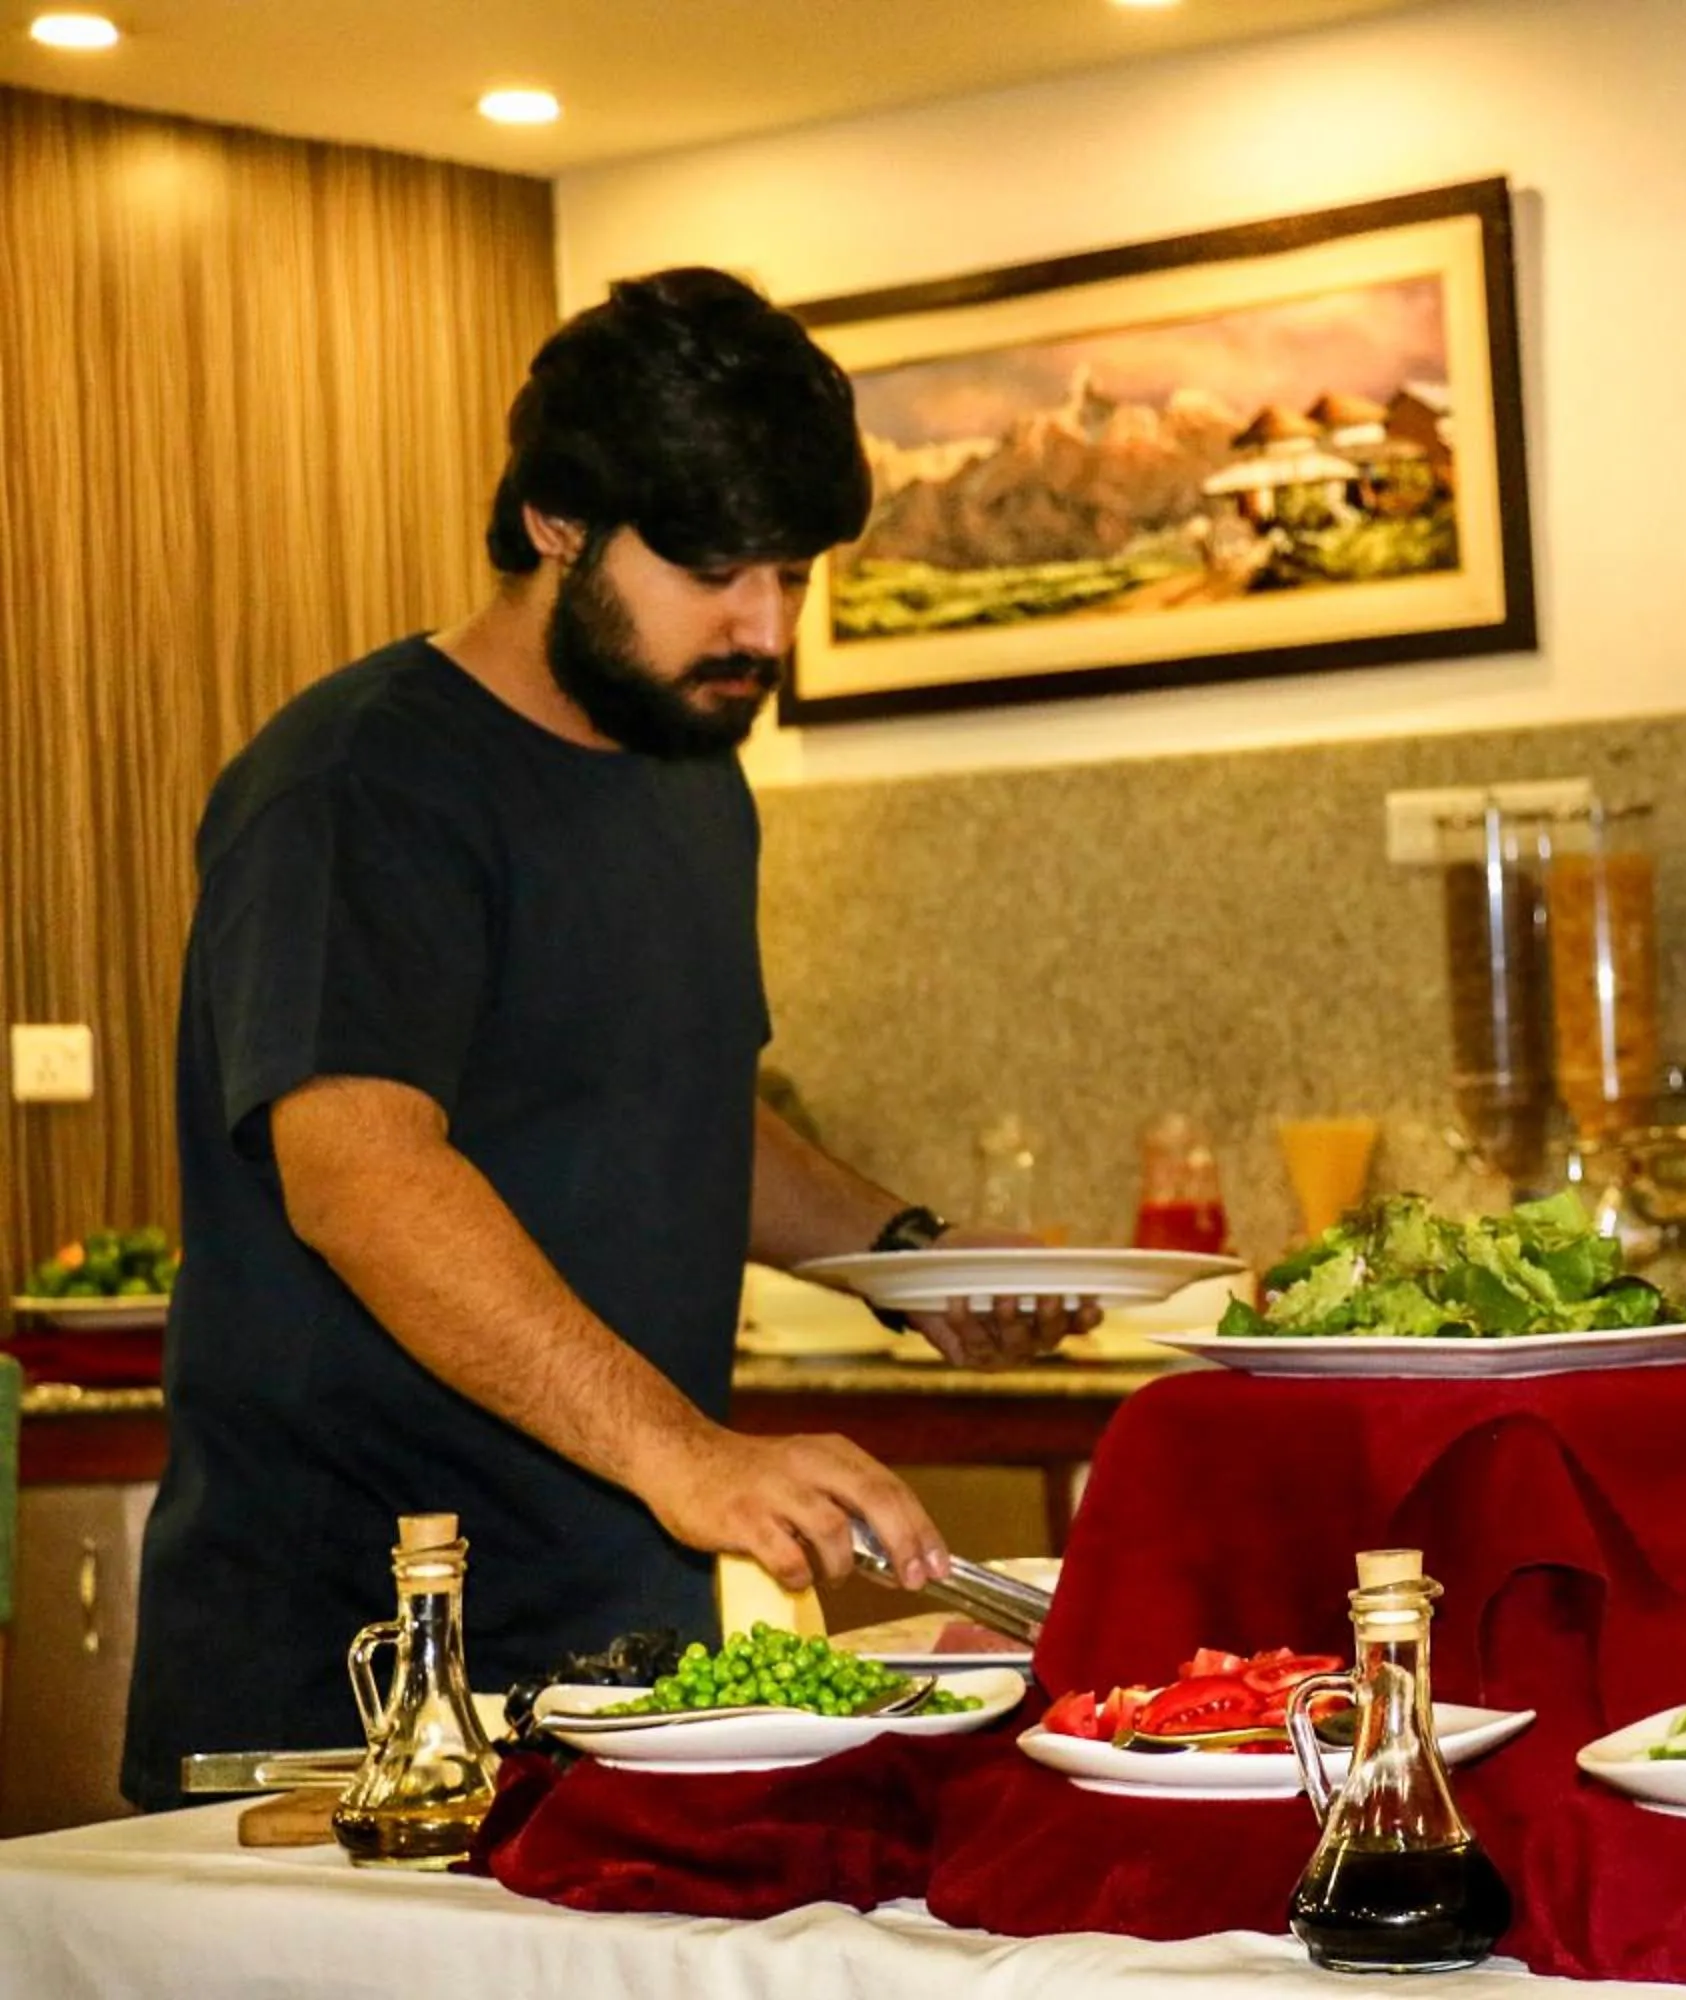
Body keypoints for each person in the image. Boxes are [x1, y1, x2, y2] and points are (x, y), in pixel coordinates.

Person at [120, 269, 1075, 1810]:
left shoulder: (687, 775)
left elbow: (674, 1105)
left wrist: (907, 1260)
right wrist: (688, 1451)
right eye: (715, 570)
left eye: (794, 574)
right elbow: (359, 1174)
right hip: (351, 1683)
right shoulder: (361, 785)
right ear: (557, 521)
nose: (763, 627)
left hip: (616, 1657)